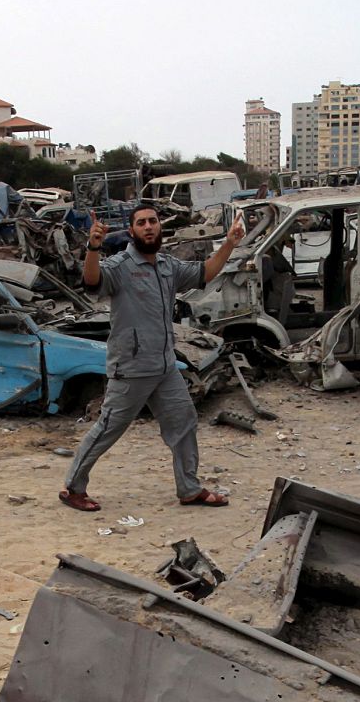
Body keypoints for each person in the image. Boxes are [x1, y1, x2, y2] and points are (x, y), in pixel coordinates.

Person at [59, 204, 246, 512]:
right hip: (130, 367)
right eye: (141, 223)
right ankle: (73, 488)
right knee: (108, 428)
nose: (148, 226)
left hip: (164, 366)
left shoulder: (168, 266)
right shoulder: (120, 266)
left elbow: (205, 273)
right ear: (132, 231)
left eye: (153, 221)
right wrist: (93, 247)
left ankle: (189, 488)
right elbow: (92, 281)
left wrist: (229, 243)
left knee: (184, 421)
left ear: (160, 227)